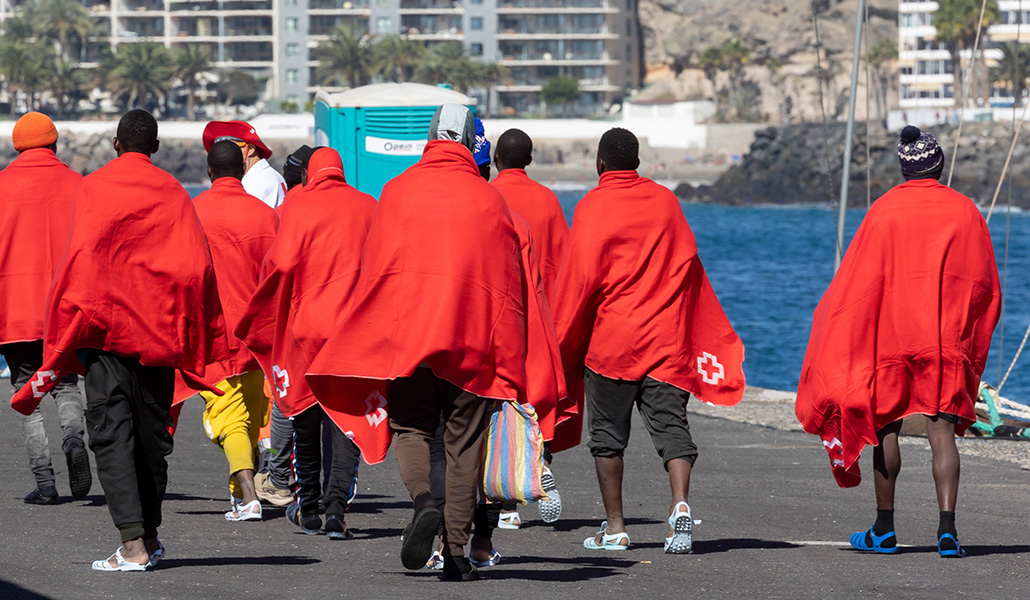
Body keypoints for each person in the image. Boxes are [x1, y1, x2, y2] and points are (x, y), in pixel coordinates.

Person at [305, 104, 528, 581]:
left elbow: (377, 272)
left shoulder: (397, 191)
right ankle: (457, 555)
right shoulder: (488, 200)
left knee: (411, 431)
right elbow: (508, 280)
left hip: (409, 342)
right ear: (470, 143)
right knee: (464, 447)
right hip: (470, 346)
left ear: (429, 139)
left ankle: (424, 501)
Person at [11, 109, 227, 572]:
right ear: (155, 147)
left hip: (107, 334)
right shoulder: (173, 191)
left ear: (114, 143)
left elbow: (81, 258)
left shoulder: (96, 186)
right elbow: (197, 267)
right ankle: (148, 536)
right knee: (152, 440)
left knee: (112, 438)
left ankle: (133, 545)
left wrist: (68, 323)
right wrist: (202, 338)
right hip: (159, 336)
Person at [795, 126, 1001, 559]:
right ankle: (947, 531)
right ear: (940, 166)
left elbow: (858, 282)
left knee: (884, 426)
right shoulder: (965, 211)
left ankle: (884, 530)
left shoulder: (884, 209)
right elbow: (983, 283)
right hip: (943, 342)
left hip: (890, 342)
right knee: (941, 432)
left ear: (904, 168)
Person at [553, 127, 745, 554]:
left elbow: (579, 282)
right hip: (666, 341)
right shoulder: (665, 201)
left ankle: (617, 527)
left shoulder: (591, 207)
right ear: (637, 162)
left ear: (600, 164)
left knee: (607, 437)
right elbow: (688, 264)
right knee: (672, 430)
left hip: (612, 345)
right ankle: (679, 505)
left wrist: (560, 342)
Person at [237, 147, 375, 539]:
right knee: (346, 420)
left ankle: (309, 504)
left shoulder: (298, 207)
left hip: (307, 329)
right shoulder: (368, 205)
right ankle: (336, 510)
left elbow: (278, 264)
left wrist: (264, 312)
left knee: (305, 416)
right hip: (353, 332)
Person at [176, 140, 279, 521]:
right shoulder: (265, 216)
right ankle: (241, 491)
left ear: (209, 171)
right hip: (258, 332)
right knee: (251, 412)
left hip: (212, 330)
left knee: (229, 415)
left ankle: (248, 496)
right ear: (242, 169)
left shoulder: (192, 212)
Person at [0, 112, 91, 505]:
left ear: (16, 146)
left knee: (25, 390)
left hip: (15, 307)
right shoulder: (79, 185)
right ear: (54, 144)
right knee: (67, 381)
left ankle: (46, 483)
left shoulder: (1, 186)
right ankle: (74, 439)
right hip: (66, 307)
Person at [491, 127, 571, 524]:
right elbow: (563, 265)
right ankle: (540, 465)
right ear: (530, 160)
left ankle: (506, 504)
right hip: (544, 317)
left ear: (494, 161)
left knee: (501, 401)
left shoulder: (488, 197)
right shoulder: (548, 201)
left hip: (502, 317)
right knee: (539, 400)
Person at [202, 120, 286, 208]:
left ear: (250, 149)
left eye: (232, 147)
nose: (226, 152)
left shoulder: (259, 183)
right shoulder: (265, 176)